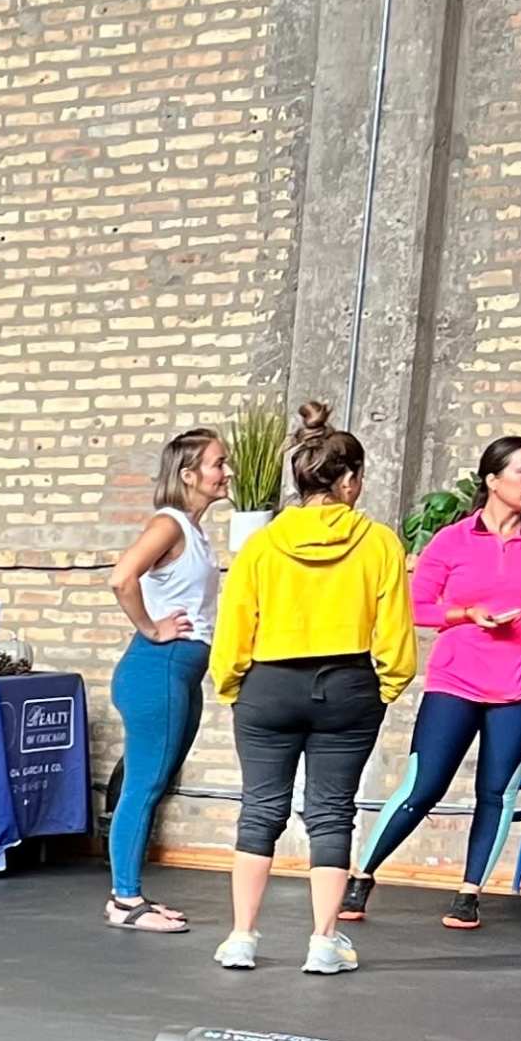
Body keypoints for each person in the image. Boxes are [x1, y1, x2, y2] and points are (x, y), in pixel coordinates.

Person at [207, 401, 416, 973]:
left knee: (260, 810)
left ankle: (241, 938)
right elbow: (396, 633)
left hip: (268, 685)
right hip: (347, 685)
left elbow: (234, 628)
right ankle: (325, 942)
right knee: (331, 813)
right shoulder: (379, 544)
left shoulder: (263, 544)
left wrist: (233, 687)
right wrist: (387, 687)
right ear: (349, 480)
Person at [340, 436, 521, 931]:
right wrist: (467, 614)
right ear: (492, 479)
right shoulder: (451, 541)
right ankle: (361, 877)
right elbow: (417, 608)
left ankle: (468, 893)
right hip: (456, 681)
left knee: (497, 791)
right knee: (423, 785)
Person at [100, 426, 230, 931]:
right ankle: (125, 901)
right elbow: (121, 576)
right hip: (159, 669)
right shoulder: (170, 523)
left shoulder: (193, 530)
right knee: (144, 786)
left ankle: (131, 894)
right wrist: (151, 627)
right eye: (218, 464)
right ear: (189, 474)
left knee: (153, 785)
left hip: (180, 674)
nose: (226, 473)